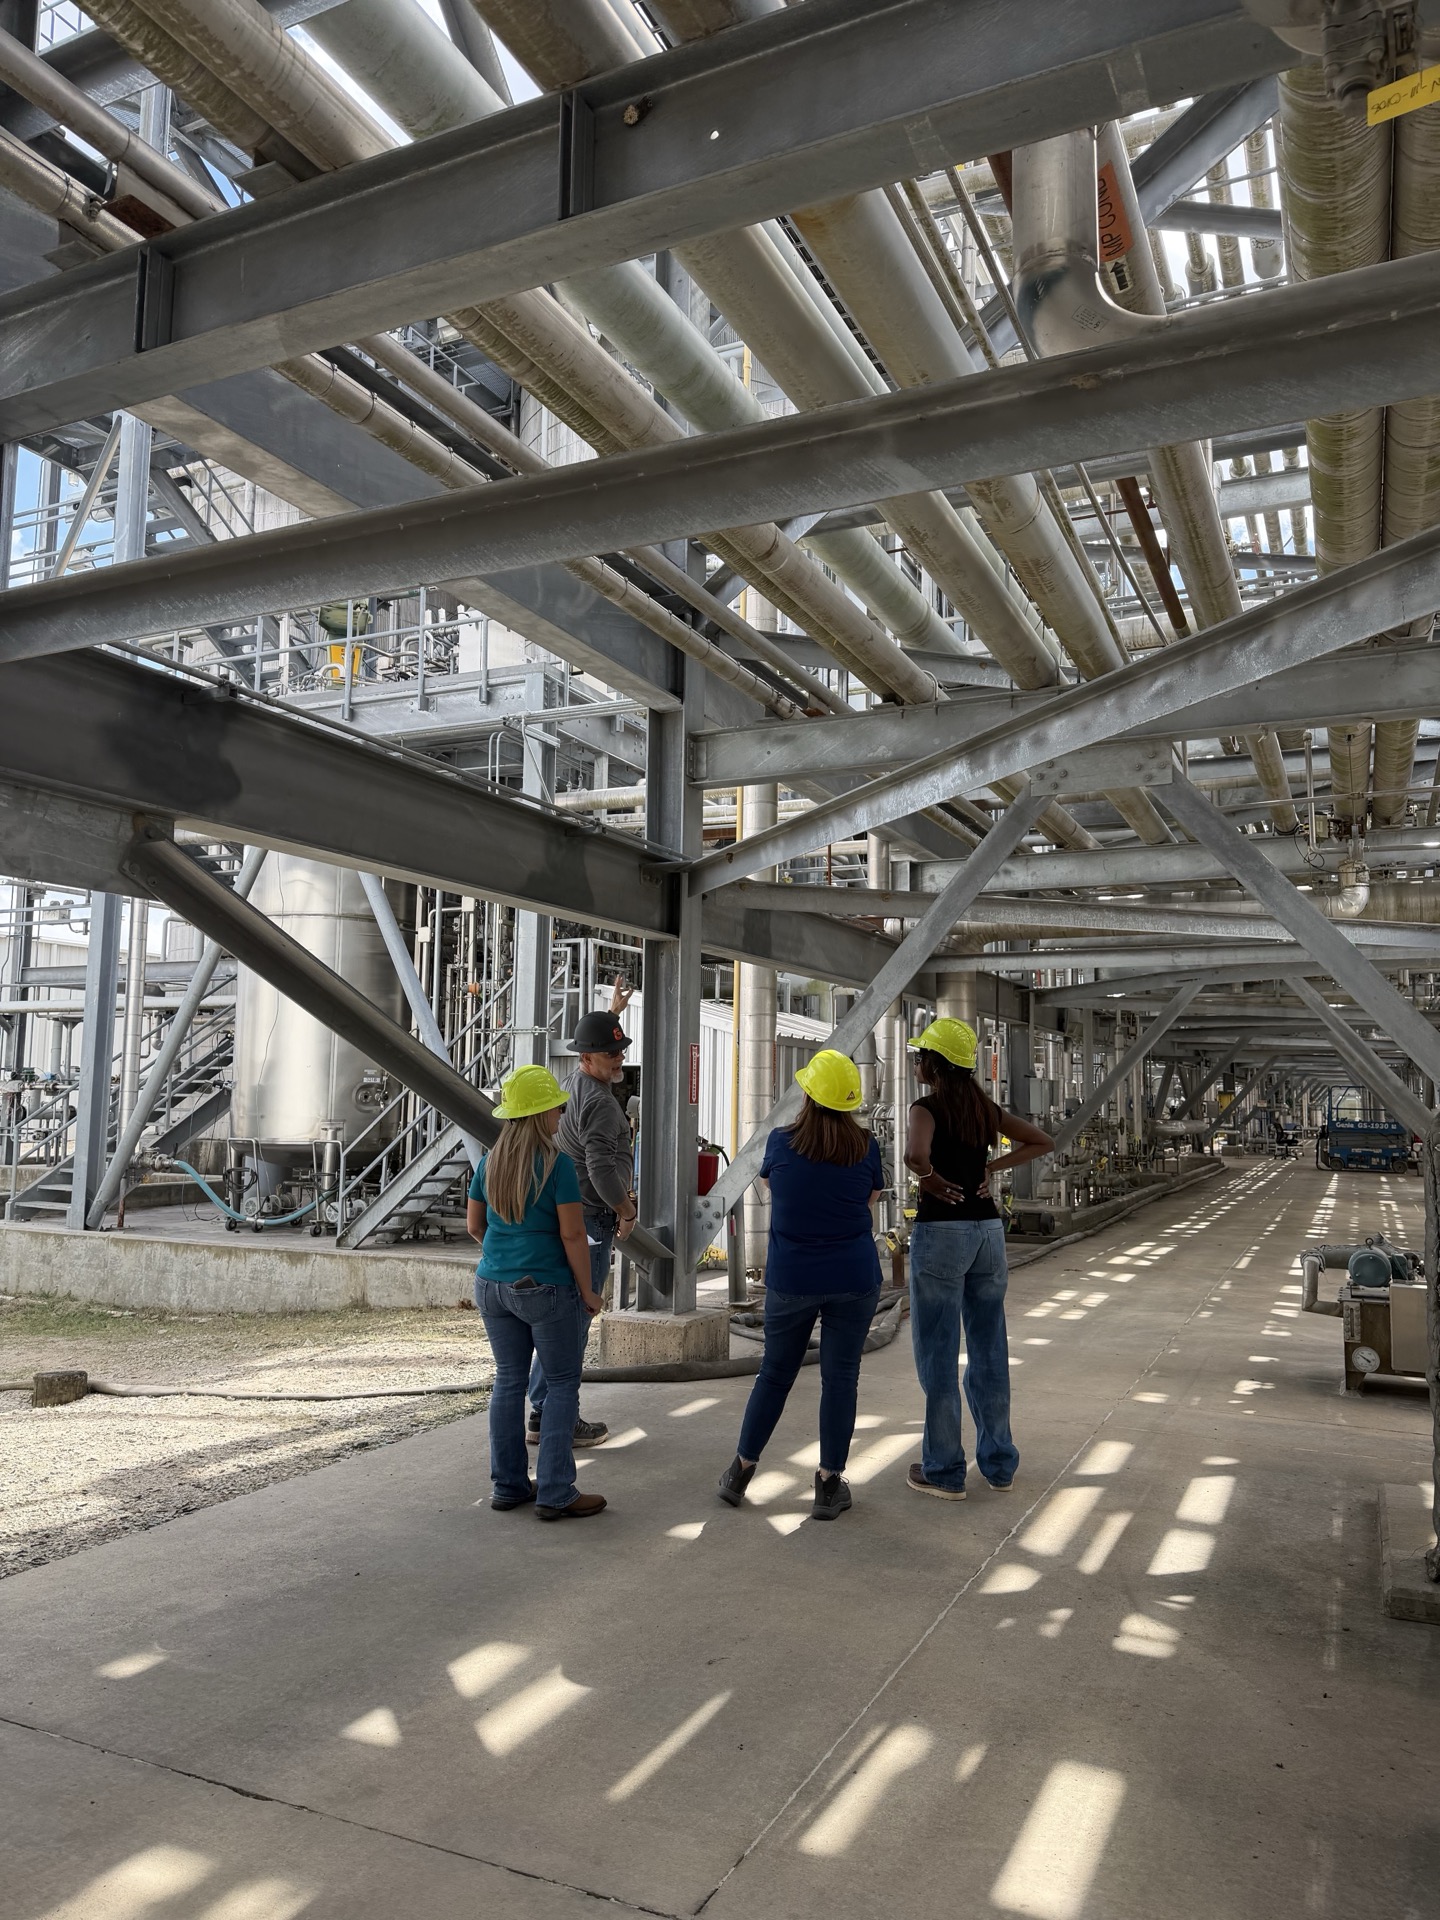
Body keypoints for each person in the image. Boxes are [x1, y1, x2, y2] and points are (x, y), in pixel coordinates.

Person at [717, 1050, 885, 1521]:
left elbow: (772, 1186)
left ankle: (740, 1470)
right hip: (853, 1277)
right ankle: (829, 1485)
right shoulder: (866, 1146)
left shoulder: (781, 1143)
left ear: (808, 1096)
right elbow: (870, 1198)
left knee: (775, 1374)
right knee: (841, 1378)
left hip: (793, 1279)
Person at [902, 1018, 1053, 1500]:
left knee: (938, 1353)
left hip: (942, 1234)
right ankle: (999, 1464)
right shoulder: (984, 1109)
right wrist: (992, 1166)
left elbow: (914, 1155)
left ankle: (944, 1471)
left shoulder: (925, 1108)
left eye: (921, 1056)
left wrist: (927, 1177)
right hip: (987, 1233)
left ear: (935, 1064)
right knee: (989, 1351)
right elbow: (1042, 1141)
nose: (917, 1062)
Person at [468, 1065, 607, 1522]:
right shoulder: (557, 1164)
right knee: (562, 1382)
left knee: (508, 1380)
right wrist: (588, 1290)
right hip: (545, 1288)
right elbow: (573, 1235)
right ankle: (556, 1491)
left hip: (492, 1285)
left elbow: (474, 1226)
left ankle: (508, 1486)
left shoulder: (490, 1162)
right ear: (538, 1114)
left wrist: (505, 1256)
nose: (561, 1115)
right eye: (556, 1108)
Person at [526, 978, 638, 1449]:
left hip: (572, 1213)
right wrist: (626, 1211)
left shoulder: (574, 1083)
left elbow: (595, 1043)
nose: (619, 1059)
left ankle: (541, 1411)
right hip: (592, 1218)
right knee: (575, 1322)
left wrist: (612, 1013)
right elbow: (601, 1169)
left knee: (564, 1319)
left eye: (621, 1051)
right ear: (588, 1059)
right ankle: (554, 1416)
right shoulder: (603, 1106)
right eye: (611, 1054)